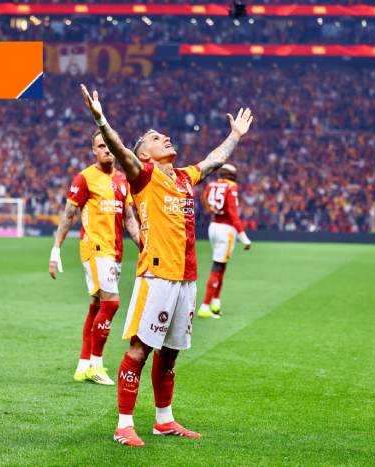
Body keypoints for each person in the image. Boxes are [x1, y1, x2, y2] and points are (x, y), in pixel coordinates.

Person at [80, 84, 253, 447]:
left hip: (187, 277)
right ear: (144, 154)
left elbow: (213, 161)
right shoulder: (143, 175)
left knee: (171, 352)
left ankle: (164, 421)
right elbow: (119, 149)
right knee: (140, 349)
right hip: (156, 275)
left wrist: (235, 135)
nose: (166, 138)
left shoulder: (185, 177)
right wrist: (101, 120)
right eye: (157, 138)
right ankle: (124, 425)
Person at [49, 129, 141, 386]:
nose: (107, 150)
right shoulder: (85, 178)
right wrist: (55, 251)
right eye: (101, 146)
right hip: (95, 249)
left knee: (97, 307)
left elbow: (129, 219)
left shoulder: (122, 180)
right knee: (111, 304)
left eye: (109, 144)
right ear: (94, 151)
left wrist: (144, 245)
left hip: (115, 251)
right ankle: (96, 365)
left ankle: (82, 367)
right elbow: (68, 215)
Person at [198, 164, 251, 319]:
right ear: (230, 175)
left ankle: (216, 303)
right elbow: (233, 213)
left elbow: (209, 208)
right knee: (217, 265)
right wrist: (243, 237)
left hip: (214, 226)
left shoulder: (210, 185)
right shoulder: (232, 186)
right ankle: (205, 306)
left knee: (222, 264)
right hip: (226, 229)